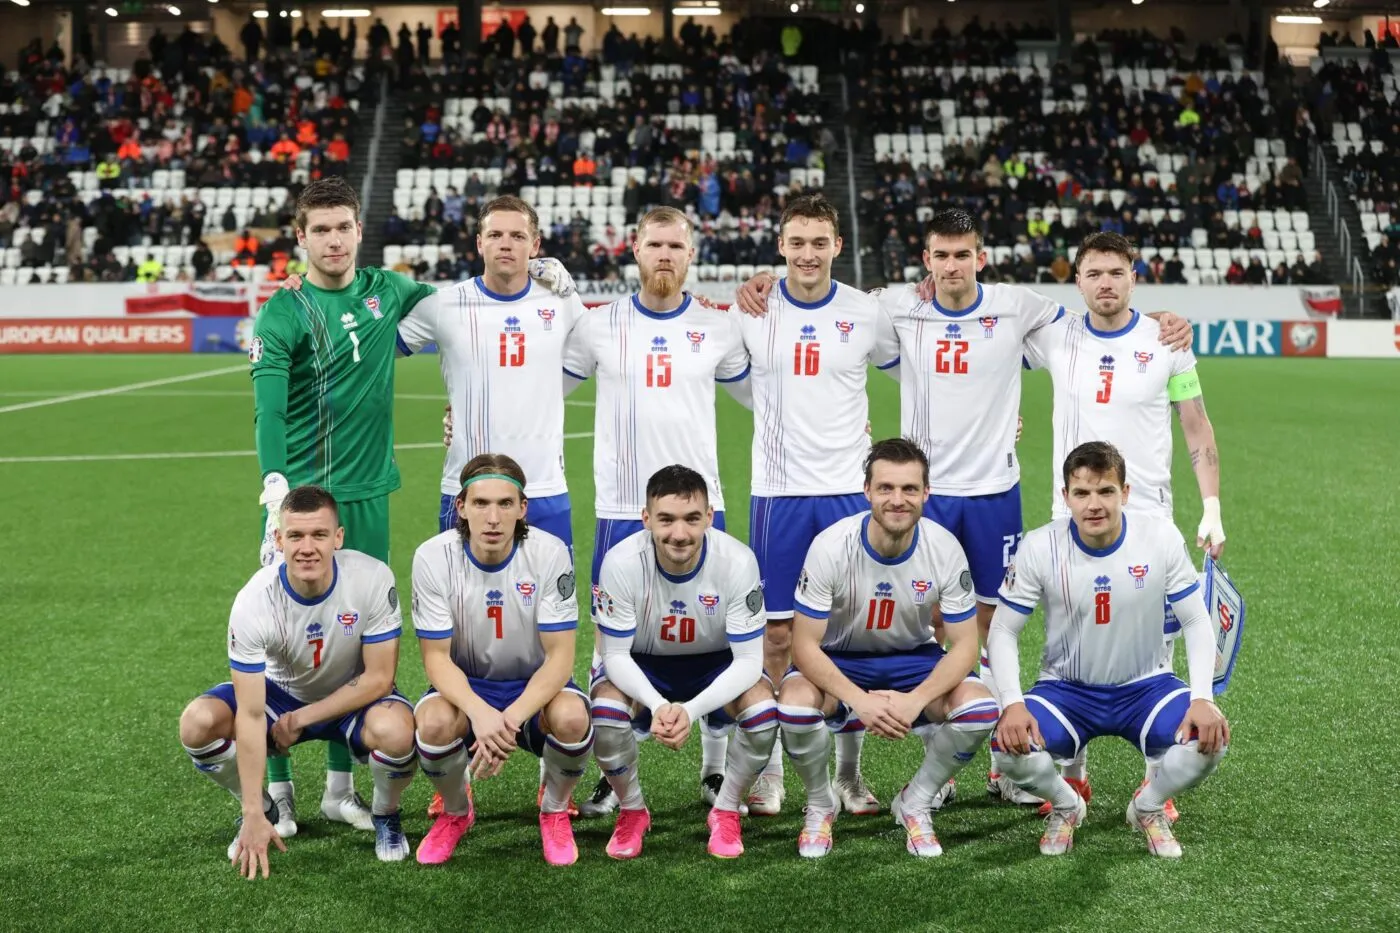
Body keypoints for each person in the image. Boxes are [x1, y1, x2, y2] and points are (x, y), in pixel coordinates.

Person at [735, 207, 1193, 806]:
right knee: (900, 623)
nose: (952, 265)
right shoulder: (894, 306)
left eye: (963, 255)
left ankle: (995, 762)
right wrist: (761, 282)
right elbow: (828, 310)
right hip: (920, 493)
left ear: (981, 257)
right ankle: (902, 768)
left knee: (983, 625)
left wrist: (1156, 320)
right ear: (926, 261)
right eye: (940, 255)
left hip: (993, 494)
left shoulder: (1018, 305)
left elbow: (1100, 317)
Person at [250, 176, 435, 834]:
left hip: (369, 496)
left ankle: (337, 787)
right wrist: (276, 486)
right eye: (319, 229)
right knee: (285, 644)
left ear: (360, 231)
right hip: (301, 504)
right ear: (300, 238)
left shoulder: (390, 290)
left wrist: (537, 275)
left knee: (353, 644)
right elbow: (267, 406)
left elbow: (463, 310)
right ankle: (278, 790)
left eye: (343, 227)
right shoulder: (284, 312)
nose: (333, 239)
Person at [1023, 231, 1226, 816]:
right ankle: (1074, 773)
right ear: (1078, 280)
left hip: (1148, 516)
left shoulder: (1166, 341)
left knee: (1156, 643)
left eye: (1116, 272)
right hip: (1072, 514)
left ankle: (1155, 781)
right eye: (1094, 273)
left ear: (1133, 275)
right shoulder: (1055, 334)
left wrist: (1211, 506)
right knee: (1067, 632)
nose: (1105, 283)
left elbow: (1196, 424)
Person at [560, 206, 751, 816]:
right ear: (634, 250)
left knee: (715, 636)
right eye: (655, 244)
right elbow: (545, 390)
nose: (665, 255)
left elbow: (764, 397)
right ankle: (613, 777)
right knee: (610, 645)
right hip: (622, 509)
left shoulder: (719, 328)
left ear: (691, 253)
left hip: (701, 511)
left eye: (676, 245)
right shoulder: (597, 326)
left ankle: (715, 770)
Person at [402, 196, 587, 820]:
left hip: (547, 490)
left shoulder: (561, 303)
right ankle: (451, 770)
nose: (506, 244)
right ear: (477, 242)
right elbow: (379, 341)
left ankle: (549, 770)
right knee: (456, 632)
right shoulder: (443, 304)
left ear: (536, 244)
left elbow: (597, 358)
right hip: (465, 488)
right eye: (495, 235)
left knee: (548, 631)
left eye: (518, 235)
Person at [732, 194, 899, 817]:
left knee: (850, 636)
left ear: (838, 246)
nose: (807, 253)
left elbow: (916, 372)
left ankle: (850, 777)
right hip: (778, 496)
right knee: (776, 637)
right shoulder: (751, 309)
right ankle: (772, 774)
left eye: (819, 242)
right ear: (781, 246)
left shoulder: (865, 311)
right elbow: (728, 377)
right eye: (796, 242)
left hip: (848, 496)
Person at [988, 441, 1229, 858]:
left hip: (1147, 687)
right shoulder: (1040, 546)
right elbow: (1003, 630)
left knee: (1211, 740)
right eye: (1081, 493)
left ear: (1126, 493)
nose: (1093, 504)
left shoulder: (1158, 538)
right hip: (1066, 691)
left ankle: (1147, 807)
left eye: (1105, 491)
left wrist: (1202, 697)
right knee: (1006, 750)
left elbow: (1195, 620)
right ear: (1065, 497)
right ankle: (1067, 804)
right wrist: (1011, 703)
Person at [177, 486, 417, 877]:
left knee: (397, 731)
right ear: (279, 539)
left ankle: (385, 814)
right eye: (295, 536)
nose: (308, 547)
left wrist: (304, 718)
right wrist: (251, 809)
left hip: (349, 696)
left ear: (338, 537)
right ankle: (266, 805)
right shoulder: (254, 601)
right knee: (197, 722)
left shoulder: (372, 578)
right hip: (278, 696)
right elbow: (252, 713)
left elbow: (379, 678)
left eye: (319, 535)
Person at [777, 439, 999, 859]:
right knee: (794, 706)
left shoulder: (944, 548)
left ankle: (915, 801)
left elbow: (966, 645)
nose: (898, 500)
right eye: (886, 488)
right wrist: (858, 701)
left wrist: (917, 700)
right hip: (839, 659)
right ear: (867, 491)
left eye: (910, 489)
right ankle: (821, 804)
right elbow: (803, 646)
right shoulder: (831, 546)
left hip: (914, 661)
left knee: (979, 710)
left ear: (926, 493)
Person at [411, 454, 591, 866]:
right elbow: (436, 659)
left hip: (534, 686)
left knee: (573, 718)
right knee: (435, 723)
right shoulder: (432, 558)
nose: (493, 518)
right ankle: (456, 812)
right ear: (461, 507)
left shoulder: (549, 554)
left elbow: (561, 658)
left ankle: (554, 808)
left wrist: (506, 721)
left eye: (505, 504)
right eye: (481, 504)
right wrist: (478, 712)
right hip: (468, 686)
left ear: (522, 508)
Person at [590, 465, 771, 859]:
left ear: (709, 516)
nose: (679, 533)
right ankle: (633, 810)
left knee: (762, 710)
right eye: (666, 519)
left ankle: (725, 810)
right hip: (644, 665)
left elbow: (749, 661)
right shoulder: (620, 562)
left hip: (717, 664)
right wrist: (657, 705)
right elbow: (615, 654)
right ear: (646, 518)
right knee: (604, 710)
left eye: (692, 519)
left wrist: (687, 712)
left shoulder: (738, 562)